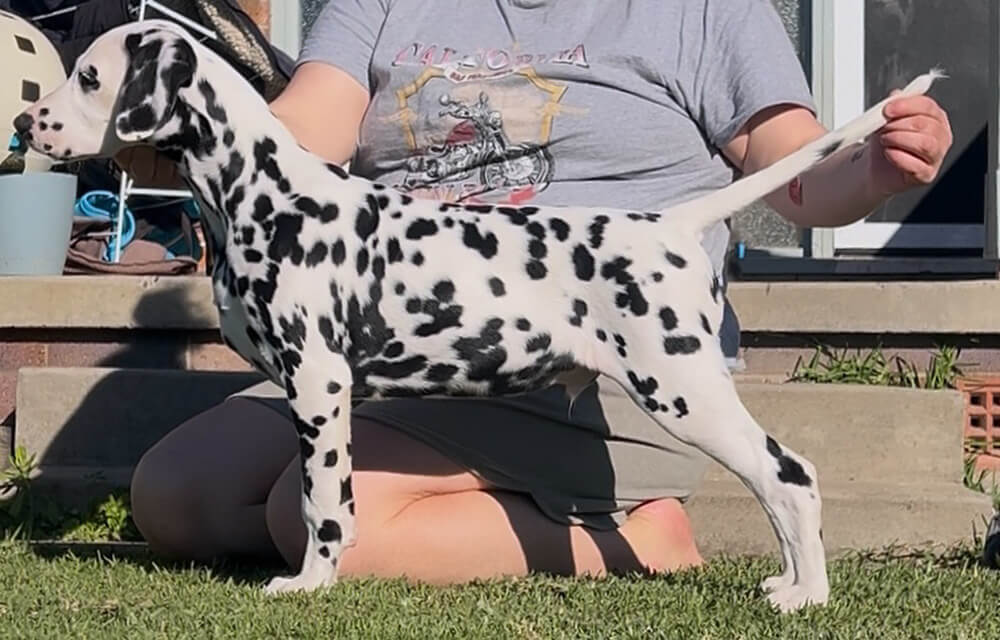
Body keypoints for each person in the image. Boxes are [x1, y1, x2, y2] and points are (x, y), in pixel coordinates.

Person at [128, 0, 953, 582]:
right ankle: (463, 500)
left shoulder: (707, 9)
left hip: (604, 348)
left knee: (308, 521)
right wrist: (181, 122)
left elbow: (797, 173)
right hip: (402, 344)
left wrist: (875, 167)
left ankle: (637, 542)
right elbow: (302, 134)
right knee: (176, 497)